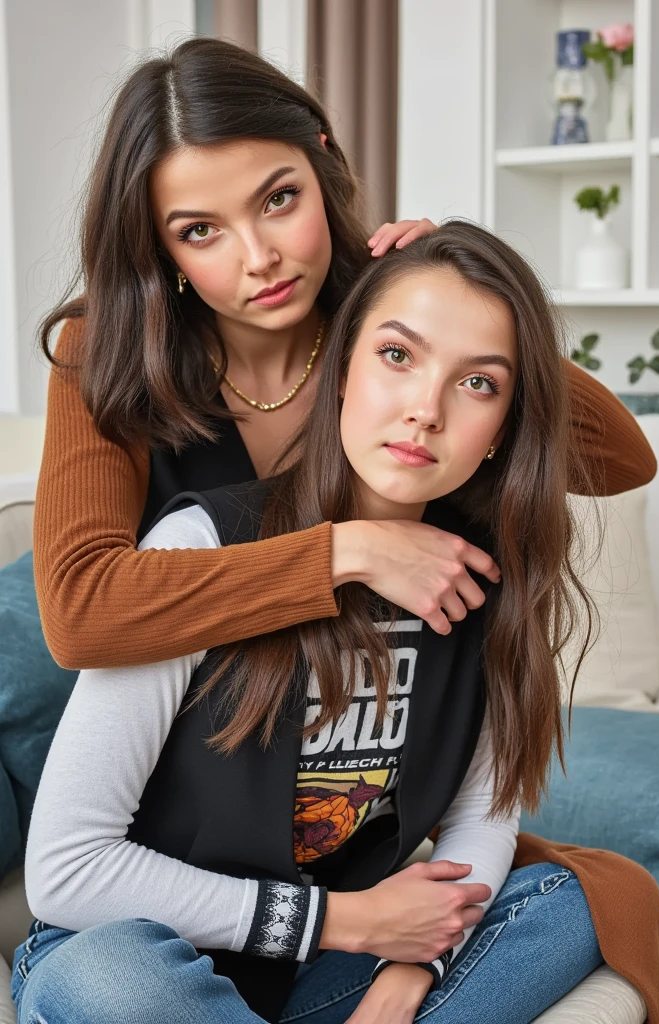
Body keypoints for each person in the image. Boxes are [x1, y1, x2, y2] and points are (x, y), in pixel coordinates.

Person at [16, 223, 609, 1024]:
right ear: (338, 374)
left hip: (333, 969)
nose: (424, 411)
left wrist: (416, 969)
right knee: (109, 981)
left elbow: (481, 813)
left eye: (478, 385)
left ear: (504, 426)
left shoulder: (490, 574)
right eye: (397, 356)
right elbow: (66, 869)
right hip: (154, 951)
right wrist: (349, 922)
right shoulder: (204, 545)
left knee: (567, 903)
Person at [33, 37, 656, 674]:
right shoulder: (108, 347)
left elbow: (622, 464)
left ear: (321, 162)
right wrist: (349, 552)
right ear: (162, 249)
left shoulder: (385, 316)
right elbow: (79, 615)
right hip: (176, 733)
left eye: (278, 199)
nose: (258, 258)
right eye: (200, 231)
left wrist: (471, 295)